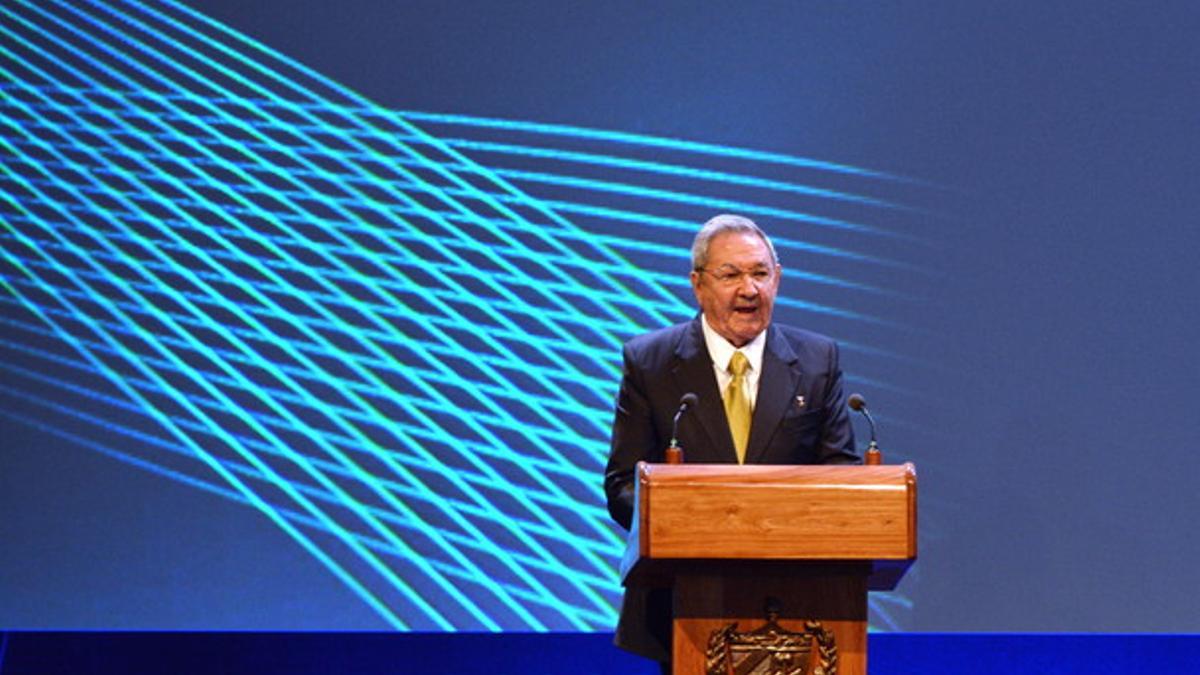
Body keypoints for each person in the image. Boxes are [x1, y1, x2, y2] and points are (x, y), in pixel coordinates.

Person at [603, 214, 860, 666]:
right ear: (698, 285)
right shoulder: (651, 363)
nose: (749, 289)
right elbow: (623, 484)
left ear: (777, 279)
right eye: (731, 275)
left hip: (803, 606)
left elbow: (843, 478)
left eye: (760, 273)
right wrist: (687, 526)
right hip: (682, 605)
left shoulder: (818, 360)